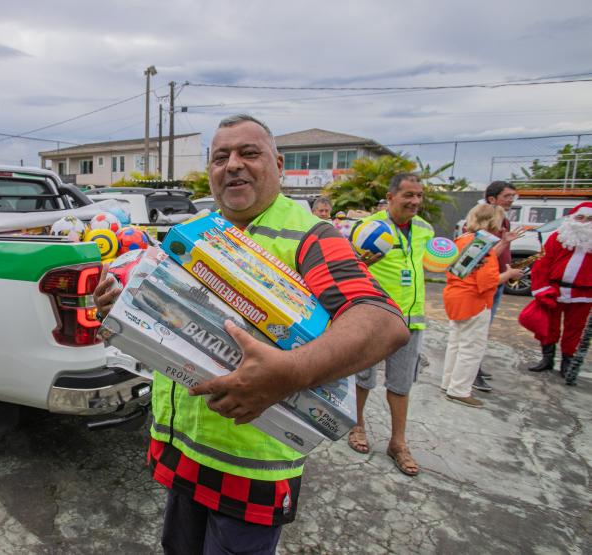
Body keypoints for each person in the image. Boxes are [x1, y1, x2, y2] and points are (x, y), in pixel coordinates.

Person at [94, 114, 409, 554]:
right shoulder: (196, 232)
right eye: (221, 157)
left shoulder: (307, 236)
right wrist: (122, 307)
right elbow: (169, 323)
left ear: (277, 164)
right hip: (182, 449)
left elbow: (382, 321)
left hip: (248, 470)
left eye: (249, 153)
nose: (234, 164)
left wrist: (291, 372)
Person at [347, 173, 432, 477]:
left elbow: (428, 265)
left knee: (401, 383)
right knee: (362, 377)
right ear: (391, 196)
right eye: (409, 195)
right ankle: (356, 426)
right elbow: (350, 266)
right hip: (374, 316)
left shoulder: (424, 230)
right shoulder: (369, 228)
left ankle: (398, 443)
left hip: (411, 319)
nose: (415, 201)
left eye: (419, 195)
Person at [442, 205, 523, 407]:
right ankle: (459, 390)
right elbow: (488, 281)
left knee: (456, 343)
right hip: (474, 301)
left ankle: (449, 383)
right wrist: (510, 274)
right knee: (471, 348)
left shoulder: (466, 240)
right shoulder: (482, 243)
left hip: (456, 297)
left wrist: (503, 243)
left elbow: (475, 262)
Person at [526, 202, 592, 380]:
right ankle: (547, 358)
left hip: (583, 294)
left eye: (589, 219)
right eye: (580, 218)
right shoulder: (558, 237)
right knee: (548, 325)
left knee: (575, 329)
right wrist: (541, 289)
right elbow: (542, 263)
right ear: (572, 218)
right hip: (555, 289)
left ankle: (567, 361)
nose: (584, 222)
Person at [474, 180, 523, 390]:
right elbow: (481, 257)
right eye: (507, 196)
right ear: (492, 199)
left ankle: (474, 366)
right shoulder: (485, 221)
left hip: (500, 277)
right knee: (475, 329)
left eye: (513, 196)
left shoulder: (504, 221)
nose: (511, 200)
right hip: (488, 280)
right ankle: (471, 371)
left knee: (484, 327)